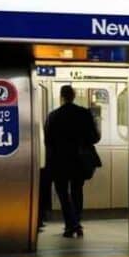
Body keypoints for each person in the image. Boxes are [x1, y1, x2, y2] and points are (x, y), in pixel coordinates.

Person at [44, 85, 101, 238]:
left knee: (62, 193)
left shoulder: (53, 116)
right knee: (77, 191)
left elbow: (48, 142)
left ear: (61, 96)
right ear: (74, 95)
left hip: (59, 161)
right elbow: (95, 138)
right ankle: (76, 223)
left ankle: (71, 225)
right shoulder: (84, 113)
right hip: (79, 160)